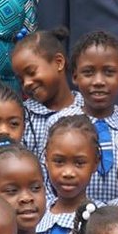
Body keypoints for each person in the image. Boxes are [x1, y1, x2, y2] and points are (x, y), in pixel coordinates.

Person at [61, 30, 118, 205]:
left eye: (109, 72)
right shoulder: (59, 123)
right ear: (75, 77)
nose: (99, 81)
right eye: (88, 72)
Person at [11, 28, 82, 165]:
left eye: (31, 72)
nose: (26, 83)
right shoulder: (22, 116)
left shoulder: (86, 109)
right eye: (21, 80)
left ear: (59, 62)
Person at [37, 115, 101, 234]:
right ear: (46, 160)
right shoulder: (35, 216)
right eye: (59, 162)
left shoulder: (104, 218)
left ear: (95, 163)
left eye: (79, 163)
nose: (68, 173)